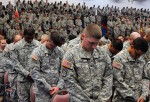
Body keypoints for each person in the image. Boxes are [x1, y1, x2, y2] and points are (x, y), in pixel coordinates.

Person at [61, 24, 113, 101]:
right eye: (91, 43)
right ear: (82, 37)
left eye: (97, 43)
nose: (94, 46)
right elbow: (70, 83)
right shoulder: (70, 55)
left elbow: (108, 76)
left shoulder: (103, 54)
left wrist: (101, 99)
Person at [30, 31, 65, 102]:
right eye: (52, 45)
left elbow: (64, 70)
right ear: (48, 40)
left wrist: (59, 86)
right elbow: (34, 73)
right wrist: (49, 88)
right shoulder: (37, 52)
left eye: (56, 46)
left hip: (57, 90)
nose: (54, 48)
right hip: (42, 92)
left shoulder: (60, 51)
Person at [112, 37, 149, 102]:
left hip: (139, 98)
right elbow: (117, 81)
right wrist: (133, 96)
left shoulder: (141, 59)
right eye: (137, 54)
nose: (138, 57)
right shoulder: (119, 58)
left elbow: (145, 78)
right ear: (132, 46)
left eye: (141, 55)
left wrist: (144, 94)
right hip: (123, 99)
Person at [9, 27, 40, 102]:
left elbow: (41, 61)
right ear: (24, 35)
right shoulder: (17, 46)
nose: (30, 39)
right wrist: (26, 74)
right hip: (23, 80)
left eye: (32, 37)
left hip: (36, 79)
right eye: (28, 37)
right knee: (23, 100)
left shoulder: (38, 45)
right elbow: (15, 63)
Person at [4, 34, 22, 102]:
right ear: (14, 41)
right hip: (13, 73)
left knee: (21, 92)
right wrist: (14, 64)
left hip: (21, 73)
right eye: (17, 41)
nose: (19, 43)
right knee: (14, 91)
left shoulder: (22, 47)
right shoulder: (8, 47)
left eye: (20, 41)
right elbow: (5, 59)